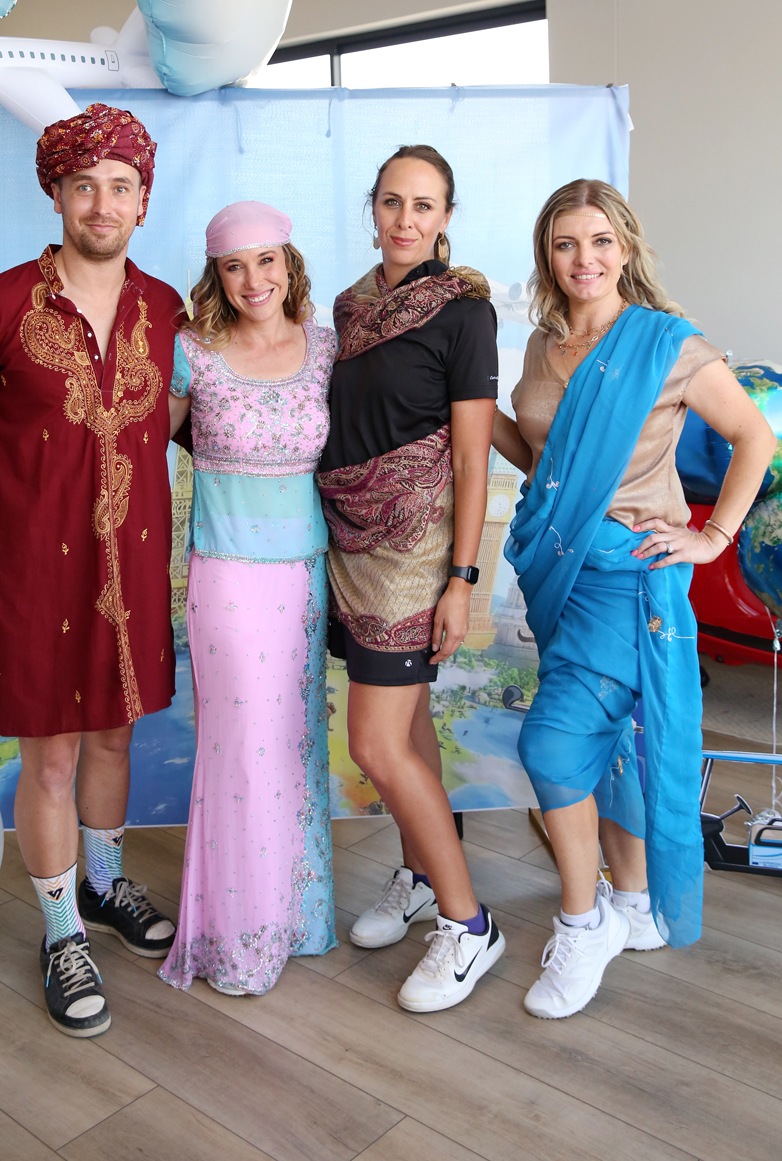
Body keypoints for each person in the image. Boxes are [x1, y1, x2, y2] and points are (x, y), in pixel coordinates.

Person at [0, 104, 182, 1039]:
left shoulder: (164, 308)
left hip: (131, 569)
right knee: (53, 756)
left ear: (143, 201)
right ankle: (62, 933)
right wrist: (5, 493)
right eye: (83, 186)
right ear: (57, 195)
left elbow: (186, 408)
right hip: (32, 574)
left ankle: (104, 886)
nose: (102, 204)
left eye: (120, 187)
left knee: (114, 739)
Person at [493, 178, 776, 1020]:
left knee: (552, 748)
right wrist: (468, 411)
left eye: (600, 242)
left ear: (625, 249)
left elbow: (755, 436)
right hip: (557, 571)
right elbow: (548, 464)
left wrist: (713, 535)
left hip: (630, 578)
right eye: (566, 244)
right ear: (548, 255)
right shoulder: (543, 344)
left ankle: (584, 926)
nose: (584, 259)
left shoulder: (666, 344)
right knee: (608, 744)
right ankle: (633, 900)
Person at [317, 144, 504, 1013]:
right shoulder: (348, 307)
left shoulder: (466, 313)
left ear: (446, 218)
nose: (405, 219)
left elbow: (471, 459)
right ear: (374, 208)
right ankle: (422, 876)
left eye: (424, 205)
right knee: (412, 726)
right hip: (348, 541)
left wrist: (461, 579)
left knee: (375, 745)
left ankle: (470, 926)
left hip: (417, 551)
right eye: (392, 201)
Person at [159, 201, 337, 996]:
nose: (253, 279)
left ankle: (296, 917)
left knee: (294, 739)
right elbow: (146, 443)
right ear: (217, 276)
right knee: (240, 743)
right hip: (226, 572)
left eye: (266, 261)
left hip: (304, 574)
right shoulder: (192, 352)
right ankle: (237, 936)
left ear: (289, 266)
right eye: (235, 265)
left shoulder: (326, 348)